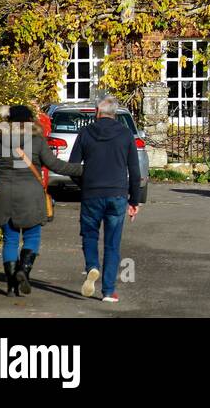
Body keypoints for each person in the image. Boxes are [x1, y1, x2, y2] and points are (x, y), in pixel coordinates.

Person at [0, 105, 83, 296]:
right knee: (32, 237)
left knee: (10, 240)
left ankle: (11, 285)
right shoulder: (37, 141)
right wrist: (82, 170)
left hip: (4, 195)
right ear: (30, 121)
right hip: (30, 197)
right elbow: (56, 165)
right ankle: (23, 271)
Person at [69, 96, 142, 303]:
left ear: (96, 112)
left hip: (92, 193)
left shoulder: (85, 133)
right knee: (112, 244)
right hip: (117, 194)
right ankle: (109, 291)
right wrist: (134, 201)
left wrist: (84, 184)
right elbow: (134, 172)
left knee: (90, 235)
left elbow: (74, 166)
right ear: (115, 113)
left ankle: (92, 266)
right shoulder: (126, 134)